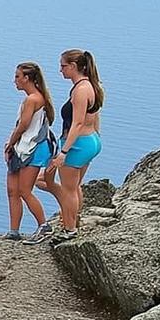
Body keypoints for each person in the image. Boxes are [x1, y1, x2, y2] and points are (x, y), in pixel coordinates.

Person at [49, 49, 105, 235]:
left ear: (73, 66)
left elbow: (78, 123)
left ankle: (69, 229)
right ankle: (74, 221)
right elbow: (95, 117)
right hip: (91, 141)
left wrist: (64, 152)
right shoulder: (92, 85)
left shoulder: (80, 90)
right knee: (75, 187)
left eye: (63, 66)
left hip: (78, 144)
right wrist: (96, 138)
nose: (61, 70)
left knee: (68, 190)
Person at [0, 62, 54, 240]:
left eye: (17, 77)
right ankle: (14, 231)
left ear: (27, 78)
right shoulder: (35, 98)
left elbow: (23, 125)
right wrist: (12, 143)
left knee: (24, 190)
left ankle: (43, 225)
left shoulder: (33, 99)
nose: (15, 81)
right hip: (22, 148)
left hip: (31, 149)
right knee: (12, 190)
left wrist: (10, 143)